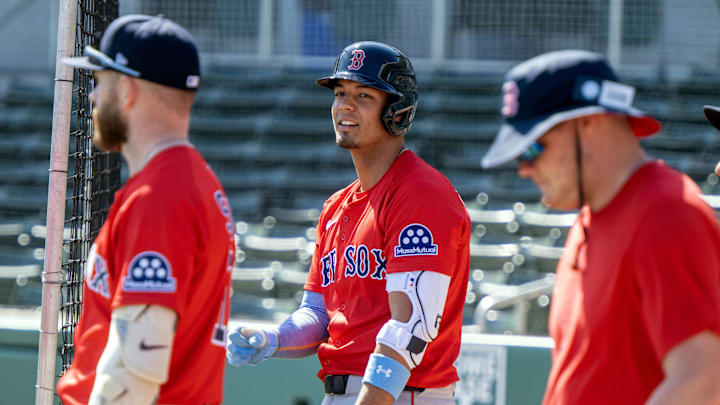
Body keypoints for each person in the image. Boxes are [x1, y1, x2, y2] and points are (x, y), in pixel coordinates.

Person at [226, 41, 470, 405]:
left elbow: (412, 329)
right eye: (340, 92)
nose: (345, 105)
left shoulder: (421, 193)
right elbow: (318, 314)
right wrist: (274, 338)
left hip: (400, 395)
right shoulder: (335, 206)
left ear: (398, 110)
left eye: (364, 95)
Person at [482, 49, 720, 404]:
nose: (524, 169)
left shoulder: (665, 213)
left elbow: (703, 379)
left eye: (532, 149)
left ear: (588, 123)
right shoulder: (589, 218)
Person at [57, 15, 235, 405]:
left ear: (126, 89)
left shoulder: (161, 195)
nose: (92, 96)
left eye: (99, 82)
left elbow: (136, 370)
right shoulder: (193, 182)